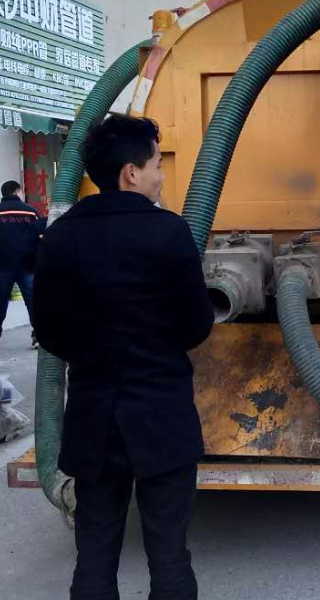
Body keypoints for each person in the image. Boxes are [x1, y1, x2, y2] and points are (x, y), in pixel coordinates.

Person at [32, 115, 214, 600]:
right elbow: (197, 325)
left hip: (93, 417)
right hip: (162, 416)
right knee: (170, 557)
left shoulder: (62, 237)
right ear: (131, 173)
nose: (161, 174)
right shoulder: (170, 233)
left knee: (93, 553)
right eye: (156, 164)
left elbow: (47, 332)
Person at [0, 180, 45, 348]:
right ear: (17, 192)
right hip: (27, 266)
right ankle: (39, 337)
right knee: (34, 301)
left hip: (2, 266)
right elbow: (41, 232)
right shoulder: (30, 212)